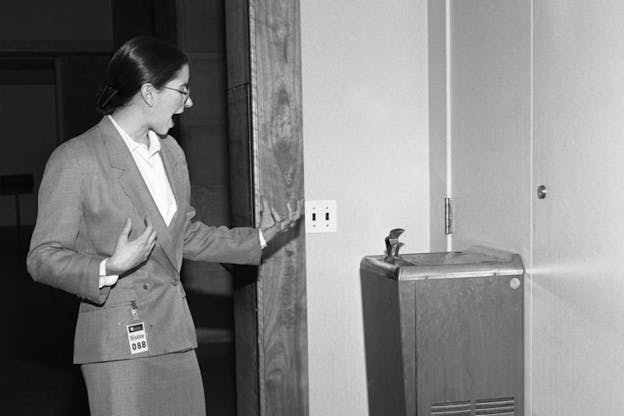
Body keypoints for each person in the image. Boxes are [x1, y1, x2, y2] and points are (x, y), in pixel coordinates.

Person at [26, 36, 300, 416]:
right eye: (182, 90)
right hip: (117, 343)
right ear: (149, 93)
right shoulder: (75, 158)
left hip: (174, 334)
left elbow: (184, 233)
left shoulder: (170, 153)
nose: (190, 102)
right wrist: (108, 267)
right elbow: (42, 258)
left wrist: (258, 237)